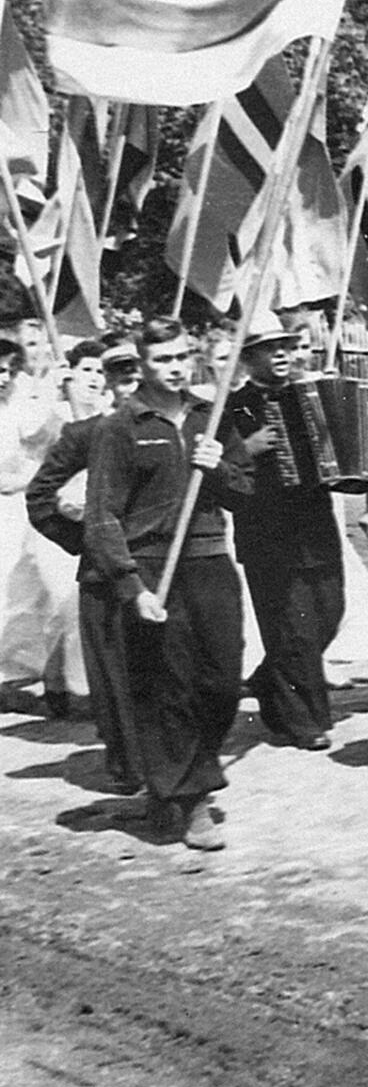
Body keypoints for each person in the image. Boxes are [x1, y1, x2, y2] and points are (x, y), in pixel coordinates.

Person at [82, 317, 250, 849]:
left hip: (209, 562)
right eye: (162, 360)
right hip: (153, 567)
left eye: (181, 357)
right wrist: (133, 587)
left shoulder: (213, 415)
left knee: (222, 682)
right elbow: (102, 518)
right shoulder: (121, 427)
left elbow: (245, 493)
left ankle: (171, 786)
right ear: (142, 365)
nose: (174, 368)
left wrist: (220, 467)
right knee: (169, 686)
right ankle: (191, 799)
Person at [223, 313, 344, 750]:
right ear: (249, 358)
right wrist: (245, 449)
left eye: (286, 347)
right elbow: (212, 467)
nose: (281, 355)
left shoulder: (309, 395)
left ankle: (270, 684)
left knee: (329, 613)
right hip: (265, 531)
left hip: (316, 525)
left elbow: (341, 448)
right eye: (269, 349)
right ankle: (303, 723)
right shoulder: (231, 405)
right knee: (295, 629)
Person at [27, 336, 143, 787]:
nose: (130, 385)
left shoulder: (171, 428)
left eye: (137, 375)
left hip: (159, 566)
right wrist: (85, 543)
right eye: (120, 376)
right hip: (103, 571)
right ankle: (127, 765)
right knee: (114, 675)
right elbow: (40, 499)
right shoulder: (85, 434)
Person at [0, 332, 80, 712]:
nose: (3, 378)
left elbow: (40, 437)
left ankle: (55, 679)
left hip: (23, 510)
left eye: (5, 371)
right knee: (6, 598)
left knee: (46, 594)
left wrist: (57, 396)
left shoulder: (16, 404)